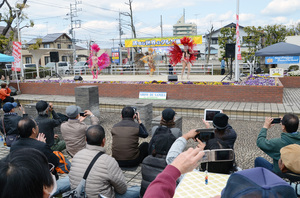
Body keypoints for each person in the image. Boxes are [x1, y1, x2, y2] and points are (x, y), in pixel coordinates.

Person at [69, 125, 140, 198]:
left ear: (86, 139)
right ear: (104, 141)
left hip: (78, 194)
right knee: (137, 189)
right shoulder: (108, 161)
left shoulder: (77, 155)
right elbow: (122, 189)